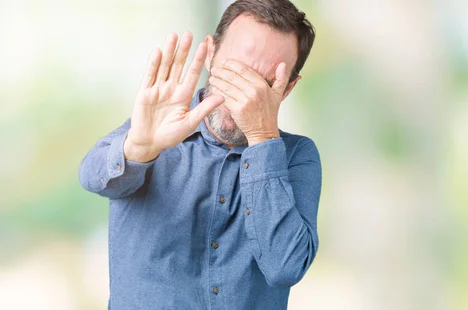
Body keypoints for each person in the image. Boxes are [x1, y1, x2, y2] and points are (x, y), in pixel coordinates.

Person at [78, 0, 321, 308]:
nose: (243, 96)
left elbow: (286, 266)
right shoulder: (158, 127)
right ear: (211, 55)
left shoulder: (298, 155)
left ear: (287, 89)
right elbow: (94, 178)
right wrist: (138, 148)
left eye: (265, 84)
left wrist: (262, 137)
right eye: (236, 71)